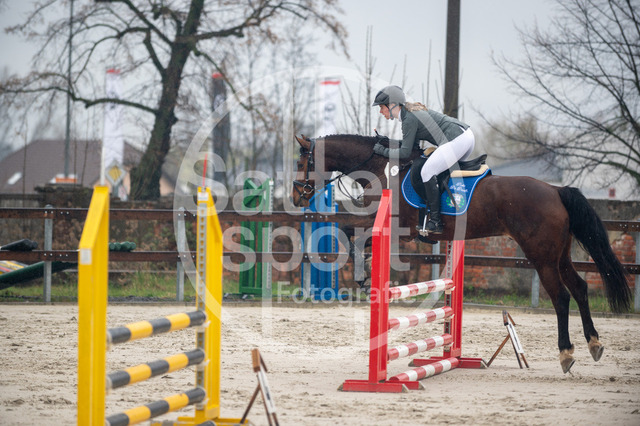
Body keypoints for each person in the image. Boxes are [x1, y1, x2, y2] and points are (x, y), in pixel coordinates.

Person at [371, 85, 475, 235]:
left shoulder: (408, 119)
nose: (381, 112)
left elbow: (405, 152)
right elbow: (411, 145)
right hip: (466, 136)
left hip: (456, 139)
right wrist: (387, 141)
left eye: (381, 107)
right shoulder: (409, 114)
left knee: (427, 172)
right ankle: (445, 212)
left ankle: (436, 222)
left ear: (392, 105)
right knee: (441, 173)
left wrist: (382, 151)